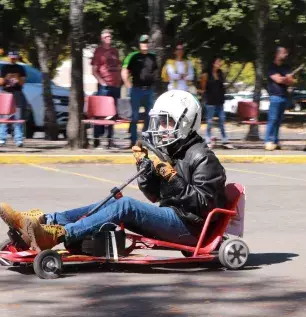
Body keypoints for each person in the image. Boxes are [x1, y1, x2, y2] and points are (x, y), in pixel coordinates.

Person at [0, 90, 227, 252]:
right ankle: (44, 221)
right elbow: (154, 195)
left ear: (185, 123)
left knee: (126, 205)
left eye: (166, 122)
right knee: (113, 201)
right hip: (174, 219)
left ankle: (58, 235)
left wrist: (172, 177)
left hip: (191, 229)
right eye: (158, 122)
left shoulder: (204, 158)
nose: (159, 128)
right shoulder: (175, 150)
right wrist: (145, 168)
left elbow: (203, 205)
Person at [121, 35, 158, 147]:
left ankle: (145, 140)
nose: (145, 44)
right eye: (143, 42)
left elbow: (155, 71)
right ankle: (133, 141)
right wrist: (129, 86)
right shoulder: (133, 56)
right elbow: (124, 71)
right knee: (135, 116)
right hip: (136, 90)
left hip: (149, 90)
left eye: (147, 42)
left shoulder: (153, 57)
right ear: (139, 44)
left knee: (149, 116)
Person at [91, 29, 122, 149]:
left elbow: (118, 67)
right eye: (106, 36)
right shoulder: (99, 52)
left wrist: (119, 81)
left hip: (115, 86)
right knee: (101, 114)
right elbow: (94, 70)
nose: (109, 38)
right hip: (104, 87)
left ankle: (110, 140)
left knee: (112, 114)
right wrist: (102, 82)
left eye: (110, 36)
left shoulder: (115, 51)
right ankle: (97, 140)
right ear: (102, 38)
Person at [265, 47, 296, 151]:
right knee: (272, 119)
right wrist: (285, 78)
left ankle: (275, 141)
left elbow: (291, 81)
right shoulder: (271, 67)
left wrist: (286, 79)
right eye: (283, 53)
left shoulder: (286, 67)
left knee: (279, 121)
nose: (285, 55)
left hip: (284, 96)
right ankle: (267, 141)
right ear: (277, 54)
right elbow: (277, 80)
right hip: (274, 96)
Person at [200, 56, 233, 149]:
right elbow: (203, 88)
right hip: (210, 101)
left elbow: (222, 86)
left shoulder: (220, 73)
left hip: (220, 101)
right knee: (209, 122)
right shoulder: (206, 74)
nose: (220, 63)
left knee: (222, 121)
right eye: (218, 62)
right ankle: (208, 139)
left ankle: (225, 140)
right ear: (213, 63)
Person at [0, 50, 26, 147]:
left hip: (17, 93)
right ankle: (2, 138)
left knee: (18, 117)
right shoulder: (4, 68)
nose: (13, 59)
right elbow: (1, 82)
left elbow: (22, 83)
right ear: (8, 57)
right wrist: (6, 78)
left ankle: (18, 139)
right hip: (6, 93)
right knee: (4, 117)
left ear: (17, 57)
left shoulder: (20, 68)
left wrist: (17, 77)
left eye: (14, 57)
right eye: (11, 57)